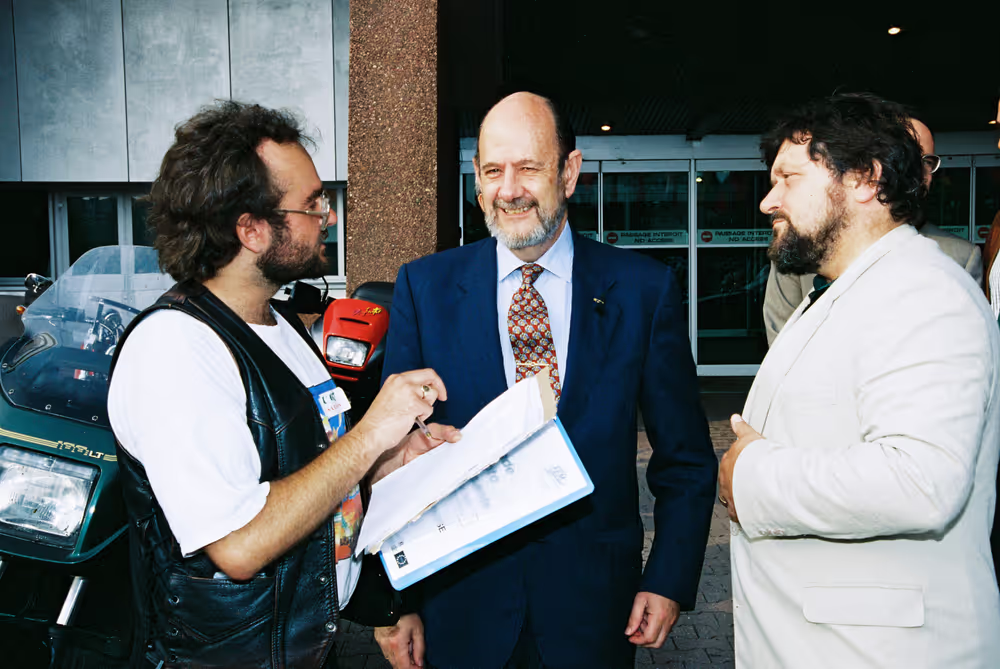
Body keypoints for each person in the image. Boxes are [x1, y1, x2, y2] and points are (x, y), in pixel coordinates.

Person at [107, 101, 459, 669]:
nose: (329, 217)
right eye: (312, 203)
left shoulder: (282, 326)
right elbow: (240, 545)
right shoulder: (175, 349)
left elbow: (312, 472)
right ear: (250, 229)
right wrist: (370, 436)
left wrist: (389, 459)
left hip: (307, 645)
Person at [374, 92, 718, 669]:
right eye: (492, 171)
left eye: (529, 167)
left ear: (570, 171)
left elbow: (684, 457)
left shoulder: (642, 291)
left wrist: (668, 578)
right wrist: (393, 604)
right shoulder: (423, 289)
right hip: (459, 608)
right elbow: (390, 462)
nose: (510, 189)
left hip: (594, 610)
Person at [719, 93, 1000, 667]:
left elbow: (920, 482)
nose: (769, 201)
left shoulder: (924, 293)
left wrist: (751, 474)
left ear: (865, 180)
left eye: (789, 179)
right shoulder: (848, 289)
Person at [762, 116, 983, 345]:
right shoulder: (803, 244)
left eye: (926, 162)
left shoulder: (955, 260)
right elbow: (781, 346)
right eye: (902, 158)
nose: (916, 171)